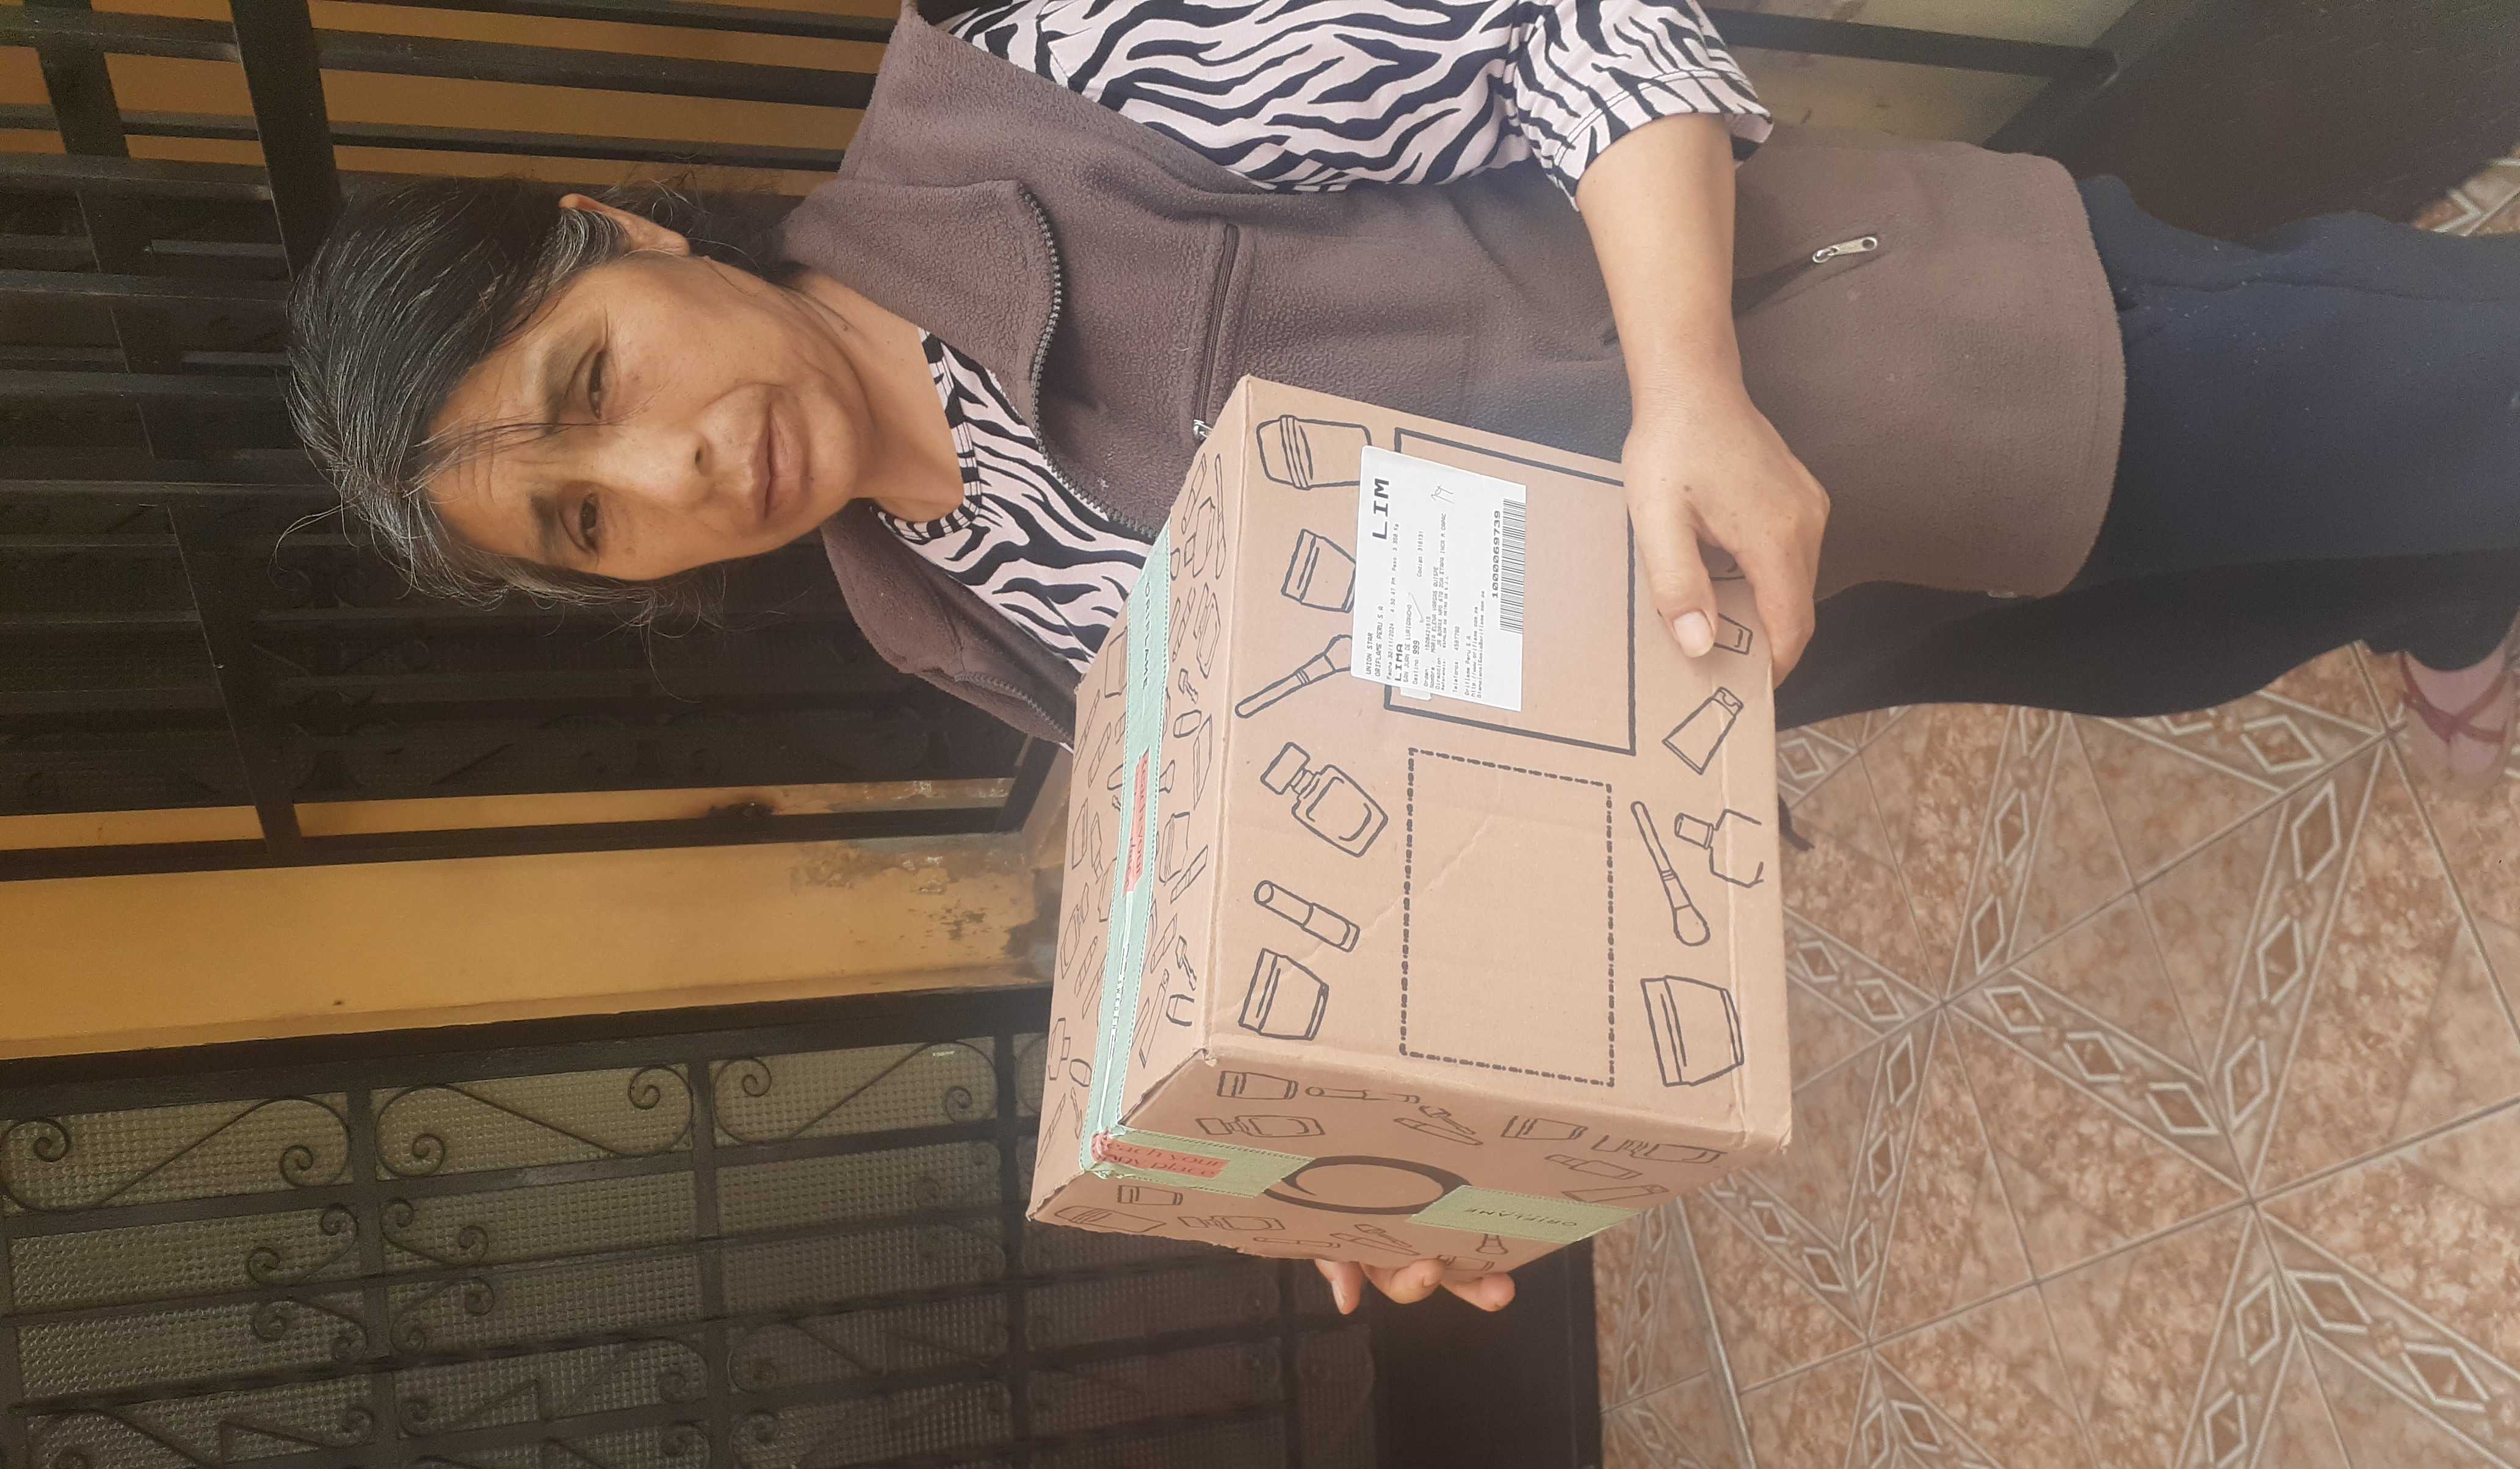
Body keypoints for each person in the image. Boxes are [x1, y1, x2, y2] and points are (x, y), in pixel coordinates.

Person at [289, 0, 2518, 1312]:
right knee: (2183, 630)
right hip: (1818, 624)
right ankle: (2448, 595)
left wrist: (1686, 389)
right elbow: (1353, 796)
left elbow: (1564, 36)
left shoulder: (1036, 97)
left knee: (2432, 396)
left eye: (595, 381)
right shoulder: (932, 609)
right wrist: (1391, 1119)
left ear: (618, 232)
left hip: (1933, 360)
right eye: (588, 522)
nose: (677, 469)